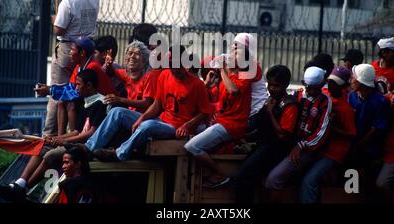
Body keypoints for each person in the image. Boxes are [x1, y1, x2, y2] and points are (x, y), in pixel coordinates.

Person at [80, 45, 213, 162]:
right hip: (161, 120)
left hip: (176, 128)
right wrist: (141, 118)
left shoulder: (197, 84)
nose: (172, 67)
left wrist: (186, 126)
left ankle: (119, 154)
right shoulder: (164, 75)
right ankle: (89, 148)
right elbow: (156, 105)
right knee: (117, 112)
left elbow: (204, 112)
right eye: (170, 63)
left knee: (147, 125)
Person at [0, 69, 108, 201]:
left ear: (89, 85)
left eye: (79, 85)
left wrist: (63, 142)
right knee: (42, 145)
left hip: (84, 147)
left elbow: (90, 133)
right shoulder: (85, 102)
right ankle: (20, 182)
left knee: (50, 155)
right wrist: (55, 138)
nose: (76, 88)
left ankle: (24, 189)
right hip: (74, 141)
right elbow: (77, 131)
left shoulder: (100, 103)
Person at [184, 41, 257, 189]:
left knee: (191, 147)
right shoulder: (225, 78)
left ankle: (219, 174)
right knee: (188, 138)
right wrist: (207, 83)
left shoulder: (245, 76)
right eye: (232, 51)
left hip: (232, 125)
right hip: (221, 122)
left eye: (237, 53)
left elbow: (234, 91)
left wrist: (222, 69)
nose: (232, 54)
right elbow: (201, 100)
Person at [44, 0, 99, 136]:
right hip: (87, 49)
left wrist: (54, 19)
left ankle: (49, 134)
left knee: (57, 91)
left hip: (69, 49)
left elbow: (58, 29)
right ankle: (72, 130)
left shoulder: (68, 2)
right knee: (77, 92)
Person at [233, 65, 299, 202]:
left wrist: (270, 112)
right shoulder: (271, 101)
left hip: (275, 150)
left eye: (276, 86)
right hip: (262, 146)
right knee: (245, 178)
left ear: (286, 85)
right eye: (270, 84)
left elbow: (282, 134)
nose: (272, 89)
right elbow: (261, 127)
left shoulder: (289, 105)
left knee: (242, 176)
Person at [264, 66, 331, 201]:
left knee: (273, 179)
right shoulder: (297, 95)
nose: (311, 91)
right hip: (290, 143)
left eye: (314, 88)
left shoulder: (325, 102)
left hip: (307, 149)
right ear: (303, 82)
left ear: (322, 85)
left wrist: (301, 145)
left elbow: (321, 133)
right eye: (308, 87)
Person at [35, 37, 115, 135]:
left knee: (71, 103)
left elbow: (76, 93)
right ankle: (61, 137)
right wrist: (50, 89)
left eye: (73, 49)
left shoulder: (92, 66)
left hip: (103, 106)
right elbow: (71, 88)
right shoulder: (79, 66)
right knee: (61, 102)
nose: (70, 52)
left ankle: (71, 138)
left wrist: (50, 91)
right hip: (91, 101)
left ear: (82, 53)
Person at [300, 66, 356, 203]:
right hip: (319, 147)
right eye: (330, 81)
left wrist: (330, 126)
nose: (331, 85)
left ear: (344, 86)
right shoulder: (324, 95)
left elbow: (352, 134)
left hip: (333, 153)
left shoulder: (345, 109)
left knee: (309, 181)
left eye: (335, 83)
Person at [347, 64, 390, 197]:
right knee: (351, 186)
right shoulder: (351, 97)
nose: (351, 80)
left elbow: (376, 128)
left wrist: (359, 145)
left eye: (353, 77)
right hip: (353, 148)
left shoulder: (381, 101)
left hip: (371, 150)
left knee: (369, 187)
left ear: (360, 81)